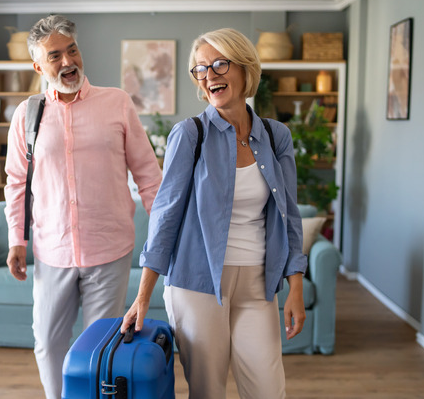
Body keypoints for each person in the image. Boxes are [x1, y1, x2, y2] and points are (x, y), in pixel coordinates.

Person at [122, 28, 307, 399]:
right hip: (196, 284)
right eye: (201, 69)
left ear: (244, 68)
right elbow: (165, 216)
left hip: (258, 281)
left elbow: (289, 215)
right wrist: (143, 295)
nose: (209, 75)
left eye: (219, 64)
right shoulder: (190, 134)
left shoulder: (275, 136)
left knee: (268, 390)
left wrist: (296, 286)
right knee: (207, 392)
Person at [3, 15, 162, 399]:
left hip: (109, 251)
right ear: (39, 66)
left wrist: (164, 235)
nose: (67, 61)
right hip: (52, 251)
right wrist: (15, 240)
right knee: (48, 344)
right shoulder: (28, 114)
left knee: (102, 348)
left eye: (72, 50)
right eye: (54, 56)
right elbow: (16, 182)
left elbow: (148, 175)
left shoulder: (117, 103)